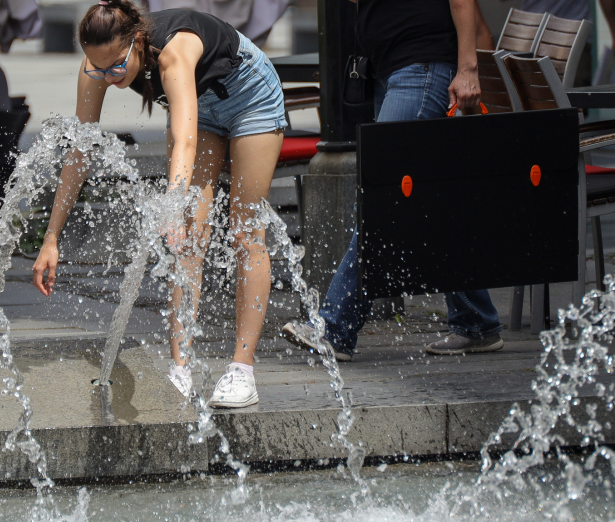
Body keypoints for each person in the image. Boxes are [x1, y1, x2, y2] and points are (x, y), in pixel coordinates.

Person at [31, 0, 286, 408]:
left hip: (249, 95)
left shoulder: (174, 52)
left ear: (137, 41)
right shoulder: (99, 64)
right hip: (201, 106)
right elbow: (79, 153)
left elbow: (184, 141)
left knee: (245, 229)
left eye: (117, 67)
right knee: (187, 240)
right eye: (99, 69)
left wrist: (173, 200)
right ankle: (180, 369)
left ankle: (242, 369)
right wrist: (51, 238)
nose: (110, 78)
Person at [281, 0, 505, 361]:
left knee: (380, 200)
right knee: (428, 203)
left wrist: (468, 68)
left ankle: (334, 328)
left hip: (421, 68)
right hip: (393, 69)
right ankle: (476, 321)